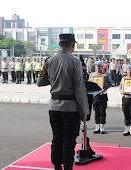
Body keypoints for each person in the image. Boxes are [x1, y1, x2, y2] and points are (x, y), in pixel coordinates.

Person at [37, 34, 89, 170]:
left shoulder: (49, 61)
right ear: (73, 45)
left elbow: (40, 81)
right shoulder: (75, 62)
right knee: (69, 140)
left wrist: (55, 78)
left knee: (57, 138)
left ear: (60, 44)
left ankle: (56, 165)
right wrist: (84, 112)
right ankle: (67, 167)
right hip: (70, 108)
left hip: (54, 107)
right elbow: (79, 88)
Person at [89, 61, 113, 134]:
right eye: (96, 66)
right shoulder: (92, 75)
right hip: (95, 95)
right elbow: (90, 83)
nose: (97, 68)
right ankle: (97, 126)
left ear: (102, 67)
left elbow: (110, 83)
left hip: (103, 95)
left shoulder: (106, 75)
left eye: (99, 66)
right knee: (96, 111)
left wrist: (105, 88)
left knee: (102, 111)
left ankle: (102, 126)